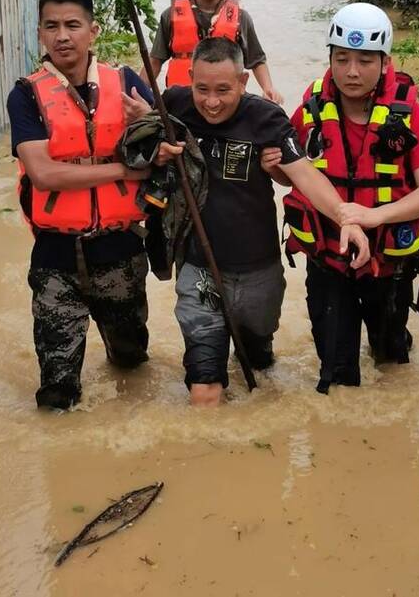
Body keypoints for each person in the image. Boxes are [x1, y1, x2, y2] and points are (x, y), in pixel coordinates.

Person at [154, 36, 370, 407]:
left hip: (259, 271)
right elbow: (129, 134)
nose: (211, 101)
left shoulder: (266, 118)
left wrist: (344, 216)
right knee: (205, 388)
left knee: (258, 362)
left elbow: (302, 173)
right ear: (189, 78)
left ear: (243, 81)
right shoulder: (173, 105)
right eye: (201, 88)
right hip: (199, 269)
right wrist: (150, 148)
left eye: (224, 89)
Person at [271, 3, 419, 394]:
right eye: (342, 59)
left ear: (386, 63)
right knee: (336, 375)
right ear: (330, 59)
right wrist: (273, 168)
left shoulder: (411, 116)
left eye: (365, 61)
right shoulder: (310, 112)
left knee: (391, 358)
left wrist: (373, 216)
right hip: (328, 259)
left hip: (388, 263)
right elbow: (292, 180)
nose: (352, 71)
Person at [7, 0, 157, 410]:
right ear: (40, 34)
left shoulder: (127, 84)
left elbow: (170, 146)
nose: (62, 36)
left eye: (73, 25)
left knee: (132, 366)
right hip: (56, 256)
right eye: (51, 27)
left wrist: (150, 120)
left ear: (92, 31)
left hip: (121, 249)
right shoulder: (26, 95)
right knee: (56, 391)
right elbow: (42, 173)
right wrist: (125, 171)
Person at [143, 0, 283, 104]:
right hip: (181, 103)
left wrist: (268, 88)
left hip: (224, 105)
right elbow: (155, 61)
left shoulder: (240, 18)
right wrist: (137, 92)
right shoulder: (171, 15)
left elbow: (257, 60)